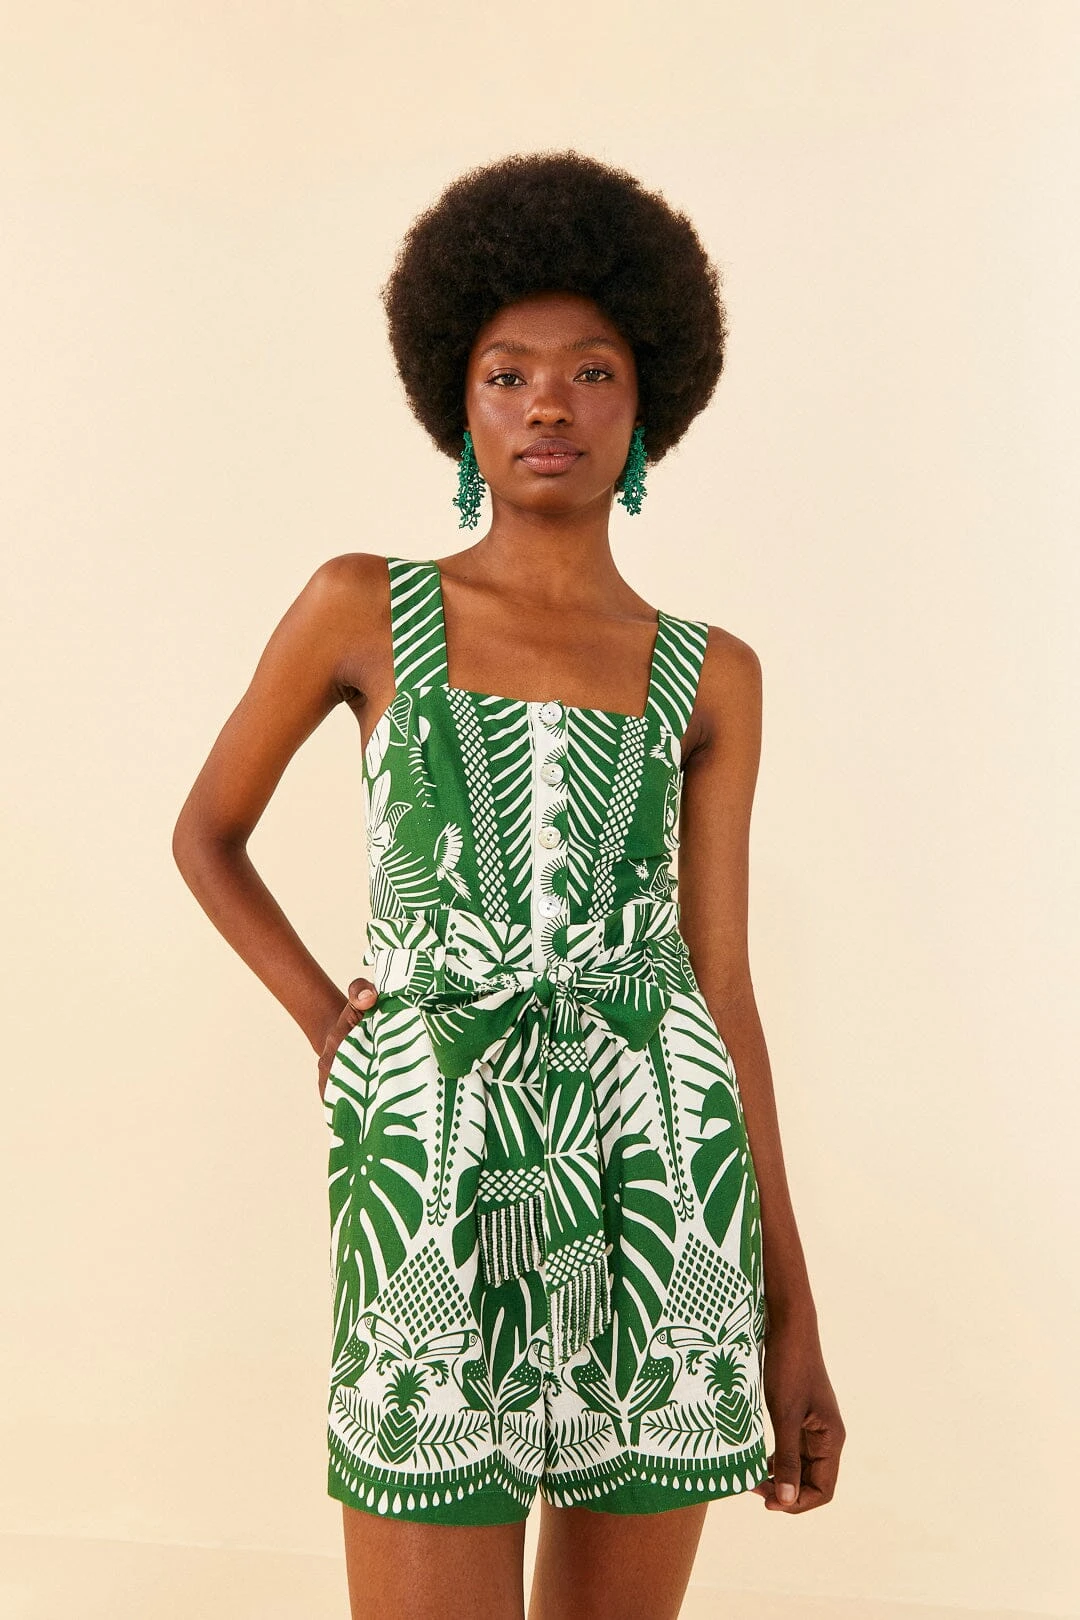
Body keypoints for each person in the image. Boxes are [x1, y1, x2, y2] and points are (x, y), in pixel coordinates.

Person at [173, 149, 845, 1620]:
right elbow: (207, 834)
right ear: (459, 404)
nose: (550, 404)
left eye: (594, 373)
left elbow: (722, 992)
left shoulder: (710, 675)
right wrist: (331, 1025)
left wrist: (790, 1313)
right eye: (509, 374)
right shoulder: (365, 606)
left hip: (664, 1180)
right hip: (429, 1158)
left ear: (647, 406)